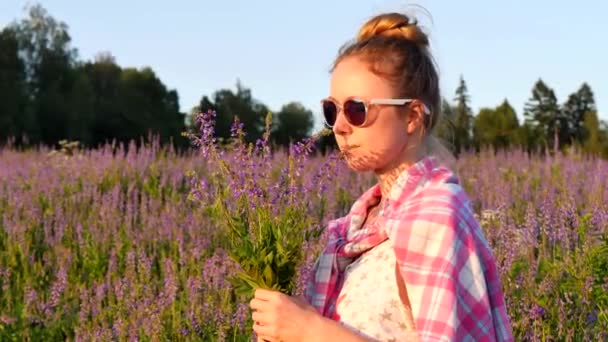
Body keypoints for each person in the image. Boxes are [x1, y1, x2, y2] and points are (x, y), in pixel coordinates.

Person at [249, 11, 514, 342]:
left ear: (412, 116)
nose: (340, 127)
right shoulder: (357, 227)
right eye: (332, 110)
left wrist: (310, 330)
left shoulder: (434, 219)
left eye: (357, 109)